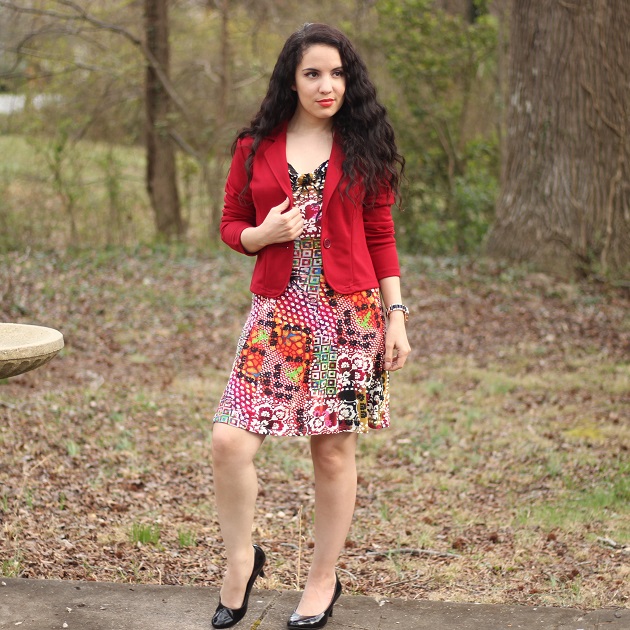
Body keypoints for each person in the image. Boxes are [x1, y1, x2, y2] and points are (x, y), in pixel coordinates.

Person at [210, 22, 410, 630]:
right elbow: (228, 223)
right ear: (291, 81)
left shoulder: (365, 143)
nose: (327, 86)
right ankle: (242, 560)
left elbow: (381, 235)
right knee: (229, 442)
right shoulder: (256, 146)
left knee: (332, 452)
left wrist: (396, 317)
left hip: (347, 319)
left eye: (337, 74)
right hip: (277, 315)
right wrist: (258, 236)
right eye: (313, 74)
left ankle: (323, 580)